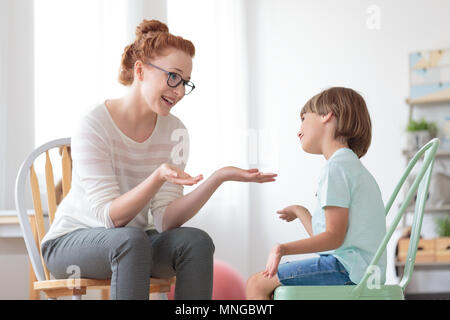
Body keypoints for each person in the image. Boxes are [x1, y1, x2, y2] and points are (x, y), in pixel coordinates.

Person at [40, 19, 277, 300]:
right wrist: (157, 177)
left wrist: (218, 177)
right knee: (130, 240)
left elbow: (165, 220)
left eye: (185, 82)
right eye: (173, 77)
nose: (178, 91)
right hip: (72, 244)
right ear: (140, 70)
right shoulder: (94, 124)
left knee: (196, 242)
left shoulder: (175, 131)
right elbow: (111, 218)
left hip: (133, 243)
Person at [246, 87, 386, 299]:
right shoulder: (350, 166)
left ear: (326, 114)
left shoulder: (335, 168)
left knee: (256, 284)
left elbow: (333, 238)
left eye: (303, 118)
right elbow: (330, 238)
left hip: (348, 270)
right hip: (363, 271)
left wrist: (282, 248)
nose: (299, 129)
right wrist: (300, 211)